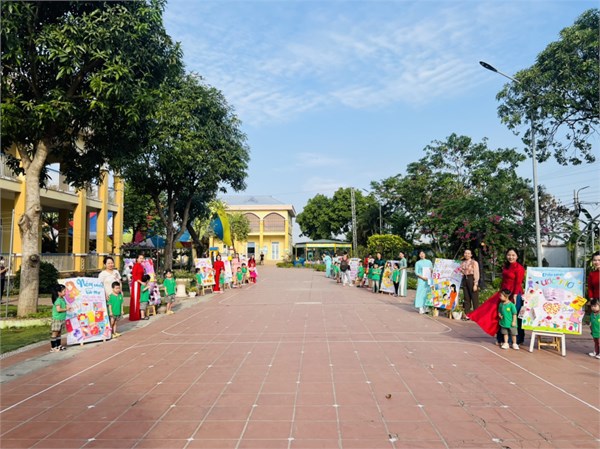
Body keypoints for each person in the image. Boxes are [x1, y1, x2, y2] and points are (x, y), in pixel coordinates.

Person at [468, 248, 526, 345]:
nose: (511, 257)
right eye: (509, 255)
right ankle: (502, 338)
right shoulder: (506, 266)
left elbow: (518, 283)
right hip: (504, 293)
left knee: (514, 316)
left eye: (513, 255)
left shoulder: (519, 268)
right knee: (499, 313)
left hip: (514, 294)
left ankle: (517, 339)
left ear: (517, 256)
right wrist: (500, 293)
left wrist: (515, 295)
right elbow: (503, 281)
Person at [460, 249, 480, 318]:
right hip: (465, 279)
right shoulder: (462, 263)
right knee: (466, 298)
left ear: (471, 255)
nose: (467, 255)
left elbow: (476, 273)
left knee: (474, 298)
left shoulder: (474, 262)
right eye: (465, 253)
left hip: (471, 279)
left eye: (468, 253)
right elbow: (461, 272)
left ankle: (477, 314)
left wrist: (475, 284)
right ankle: (467, 314)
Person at [50, 284, 68, 352]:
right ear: (59, 292)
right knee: (55, 333)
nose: (65, 292)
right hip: (57, 319)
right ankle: (53, 347)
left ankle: (58, 345)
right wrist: (66, 309)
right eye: (64, 291)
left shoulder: (62, 299)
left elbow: (64, 306)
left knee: (59, 333)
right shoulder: (58, 300)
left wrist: (67, 307)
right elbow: (58, 309)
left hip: (61, 318)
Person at [129, 254, 145, 321]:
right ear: (137, 259)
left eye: (142, 258)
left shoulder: (141, 266)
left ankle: (139, 314)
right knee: (136, 299)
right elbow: (134, 276)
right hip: (136, 283)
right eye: (140, 258)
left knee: (139, 299)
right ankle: (135, 315)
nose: (141, 259)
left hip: (140, 283)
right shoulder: (135, 265)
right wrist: (140, 282)